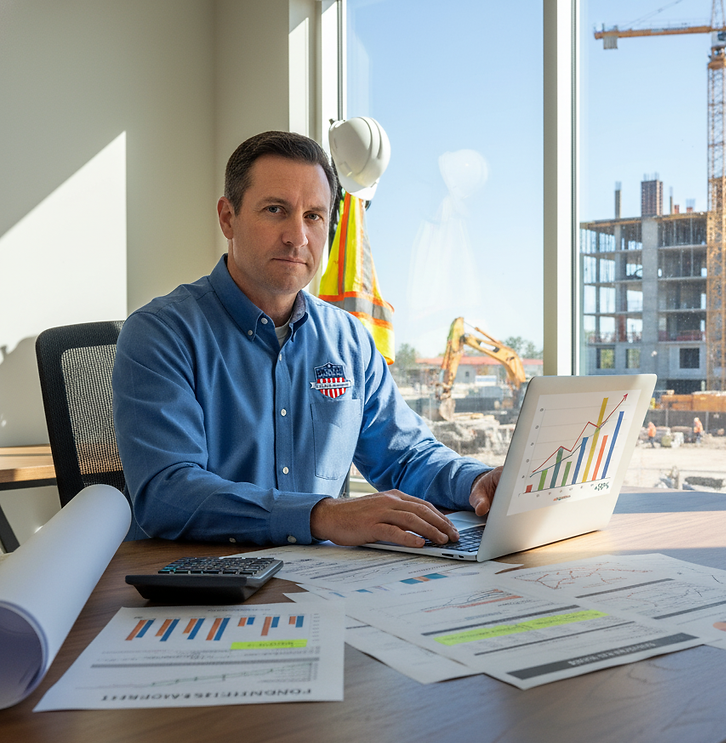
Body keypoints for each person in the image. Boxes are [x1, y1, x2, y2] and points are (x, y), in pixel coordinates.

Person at [112, 131, 501, 548]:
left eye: (314, 216)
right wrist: (319, 516)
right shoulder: (160, 334)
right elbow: (168, 493)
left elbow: (403, 455)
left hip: (322, 584)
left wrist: (477, 481)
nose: (297, 237)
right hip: (201, 588)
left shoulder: (349, 338)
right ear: (228, 217)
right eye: (275, 210)